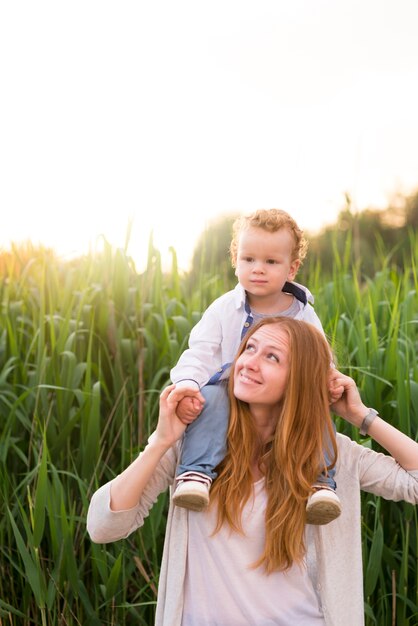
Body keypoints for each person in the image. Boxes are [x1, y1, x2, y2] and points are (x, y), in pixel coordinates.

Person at [87, 317, 418, 626]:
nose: (249, 363)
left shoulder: (331, 456)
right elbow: (103, 527)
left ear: (299, 381)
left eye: (272, 357)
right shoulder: (193, 447)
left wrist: (361, 416)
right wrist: (160, 442)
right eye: (249, 348)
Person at [170, 208, 340, 523]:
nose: (258, 269)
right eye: (249, 259)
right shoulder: (223, 308)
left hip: (285, 396)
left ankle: (320, 482)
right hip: (231, 390)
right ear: (235, 259)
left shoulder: (303, 314)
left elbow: (320, 358)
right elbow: (201, 351)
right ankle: (195, 473)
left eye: (271, 262)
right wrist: (188, 384)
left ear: (292, 268)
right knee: (213, 398)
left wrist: (330, 380)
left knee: (315, 408)